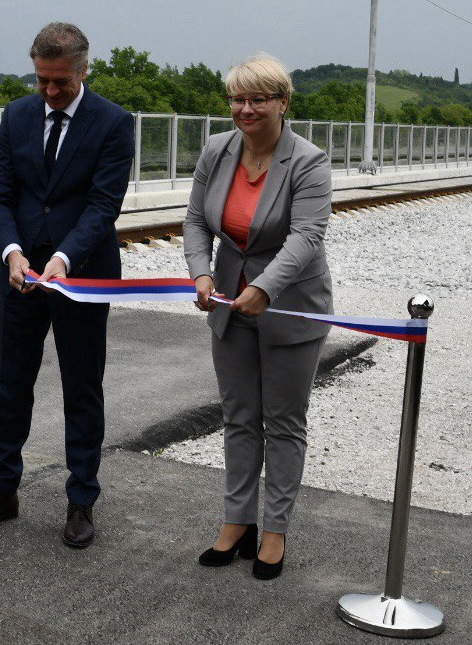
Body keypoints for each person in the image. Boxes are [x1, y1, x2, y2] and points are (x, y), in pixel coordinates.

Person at [0, 22, 134, 548]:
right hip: (20, 278)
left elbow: (104, 205)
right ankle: (2, 490)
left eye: (61, 82)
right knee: (12, 385)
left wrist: (63, 258)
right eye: (42, 81)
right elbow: (0, 194)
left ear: (84, 70)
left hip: (81, 278)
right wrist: (12, 251)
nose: (51, 91)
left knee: (82, 388)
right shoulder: (15, 116)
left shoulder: (113, 123)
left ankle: (81, 499)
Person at [182, 54, 333, 580]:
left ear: (282, 103)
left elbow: (307, 237)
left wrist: (266, 288)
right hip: (228, 304)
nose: (245, 109)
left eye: (258, 99)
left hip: (290, 307)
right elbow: (197, 220)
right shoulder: (217, 151)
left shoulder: (309, 162)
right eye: (237, 99)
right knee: (239, 418)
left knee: (284, 424)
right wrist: (202, 273)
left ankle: (274, 532)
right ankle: (236, 521)